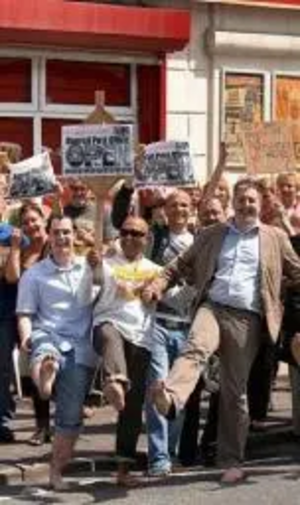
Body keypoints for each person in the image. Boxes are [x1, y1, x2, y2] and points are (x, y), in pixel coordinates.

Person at [142, 176, 300, 484]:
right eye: (241, 200)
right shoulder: (212, 234)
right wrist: (158, 284)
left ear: (260, 204)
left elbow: (296, 271)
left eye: (251, 200)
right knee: (195, 348)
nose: (246, 205)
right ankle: (171, 396)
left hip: (248, 320)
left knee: (233, 392)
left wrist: (278, 290)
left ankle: (231, 460)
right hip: (212, 307)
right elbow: (178, 265)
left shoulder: (275, 237)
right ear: (233, 204)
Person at [16, 215, 97, 491]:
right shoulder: (34, 274)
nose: (62, 237)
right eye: (57, 233)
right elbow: (25, 314)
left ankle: (56, 470)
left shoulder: (89, 268)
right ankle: (45, 377)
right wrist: (26, 337)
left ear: (74, 235)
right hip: (46, 334)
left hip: (79, 346)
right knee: (44, 350)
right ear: (48, 236)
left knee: (70, 416)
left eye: (66, 232)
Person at [92, 215, 161, 486]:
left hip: (141, 337)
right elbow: (92, 280)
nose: (130, 237)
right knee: (109, 335)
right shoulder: (106, 263)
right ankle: (114, 382)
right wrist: (93, 263)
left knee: (132, 408)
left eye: (137, 233)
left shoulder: (156, 269)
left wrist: (154, 291)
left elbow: (176, 295)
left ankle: (123, 470)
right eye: (126, 232)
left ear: (147, 239)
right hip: (108, 324)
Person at [6, 202, 51, 446]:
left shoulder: (53, 244)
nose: (31, 225)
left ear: (44, 219)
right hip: (26, 317)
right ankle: (43, 427)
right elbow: (12, 278)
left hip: (52, 316)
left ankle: (67, 422)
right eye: (26, 222)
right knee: (35, 374)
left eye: (35, 220)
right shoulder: (22, 248)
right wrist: (14, 248)